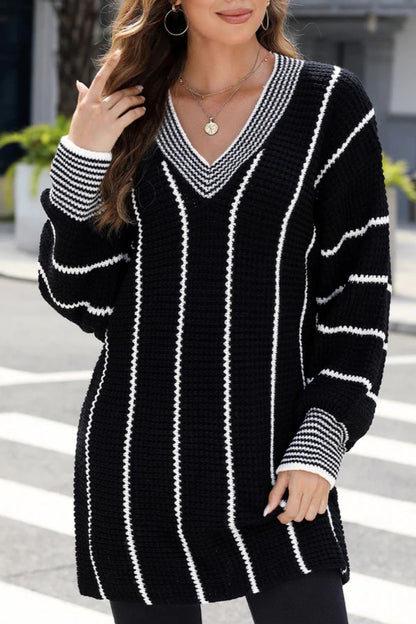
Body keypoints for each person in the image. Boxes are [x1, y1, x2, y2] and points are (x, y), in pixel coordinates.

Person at [37, 0, 391, 622]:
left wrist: (322, 441)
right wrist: (83, 157)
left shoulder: (329, 105)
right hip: (140, 463)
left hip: (278, 461)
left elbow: (358, 297)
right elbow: (80, 296)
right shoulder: (129, 110)